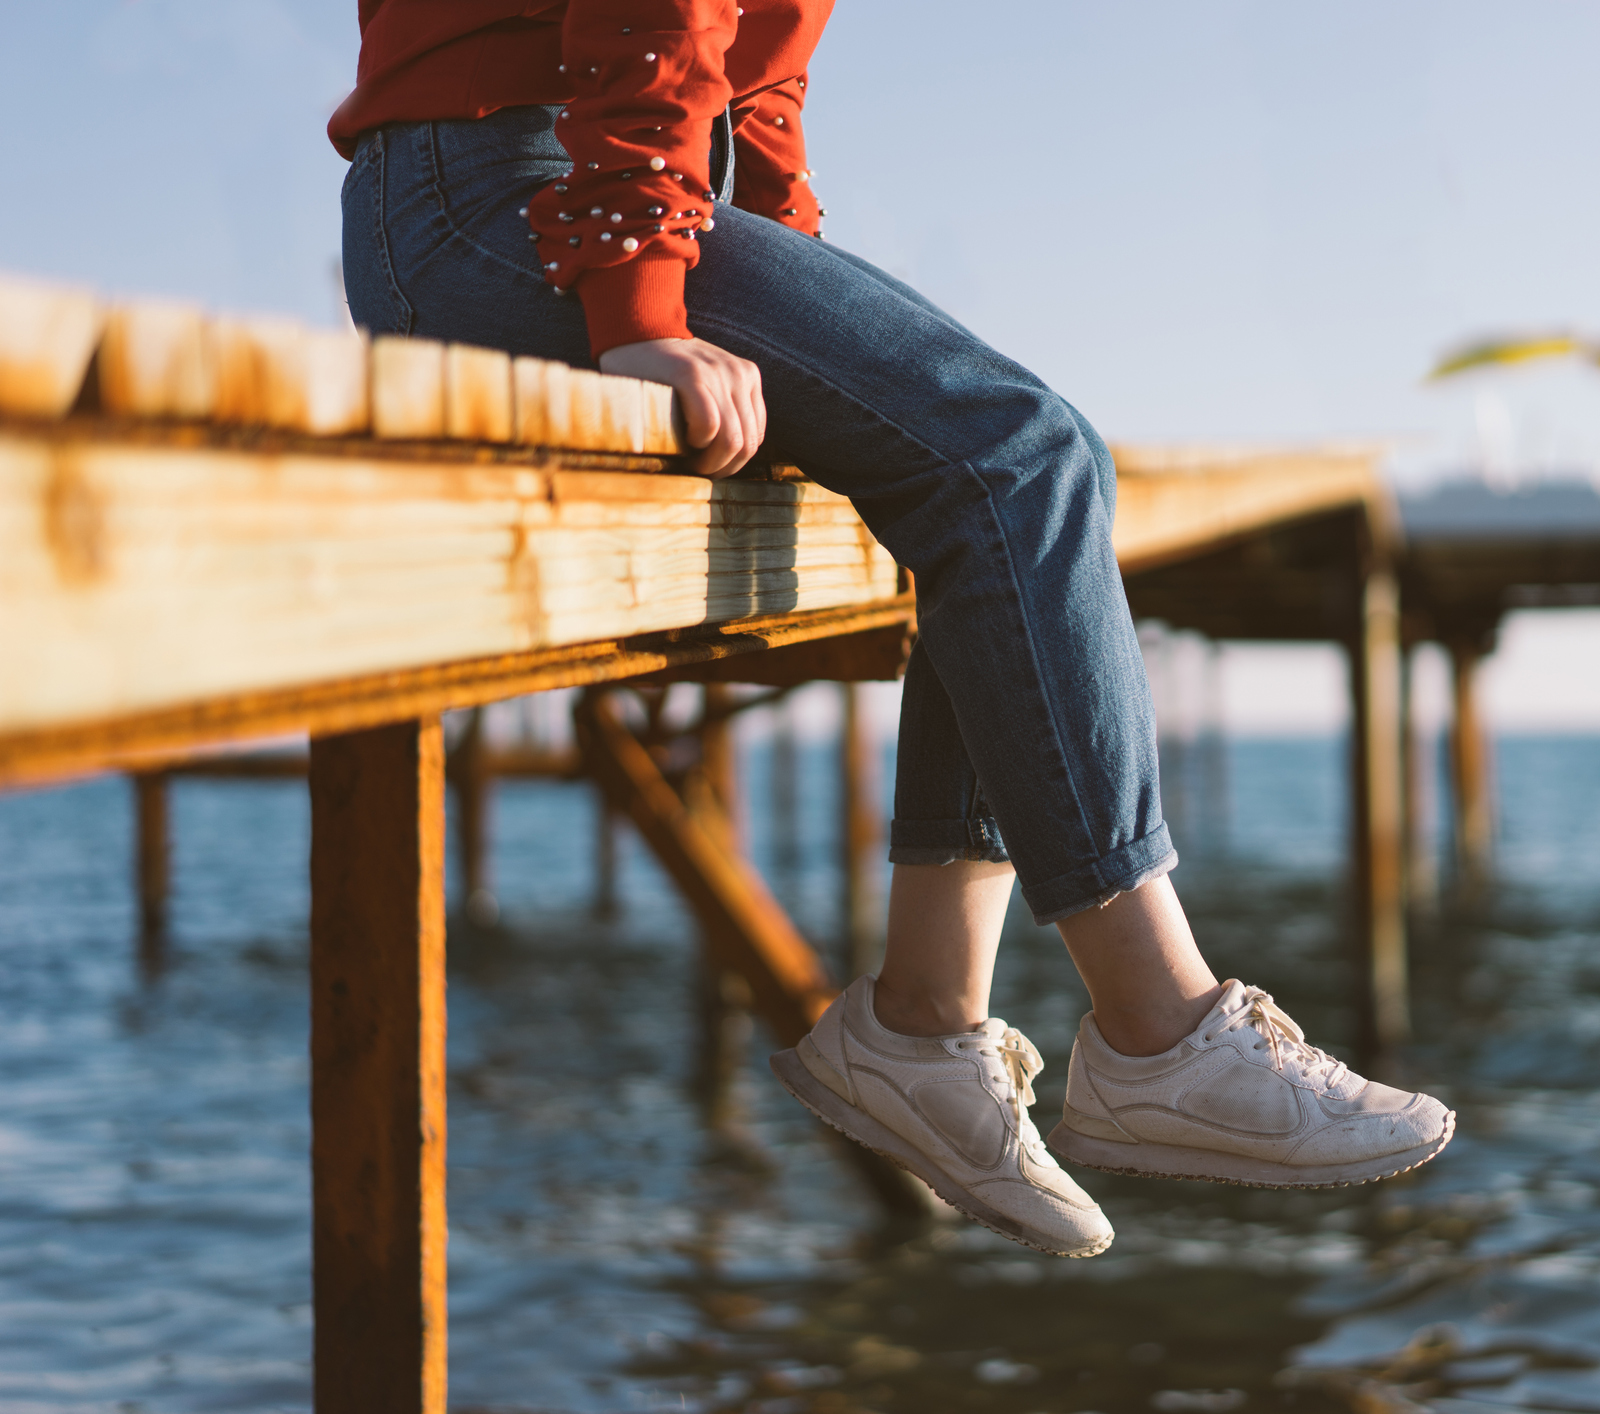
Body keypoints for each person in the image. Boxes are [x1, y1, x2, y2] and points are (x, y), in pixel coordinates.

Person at [332, 0, 1453, 1260]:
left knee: (1031, 456)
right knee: (1015, 460)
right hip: (494, 191)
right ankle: (1157, 1026)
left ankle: (922, 1025)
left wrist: (794, 290)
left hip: (596, 171)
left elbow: (758, 81)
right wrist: (638, 309)